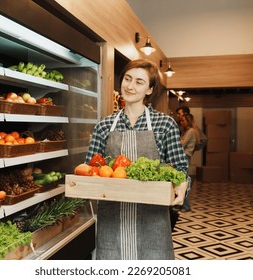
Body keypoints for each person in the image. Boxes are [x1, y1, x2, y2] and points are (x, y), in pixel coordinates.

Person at [85, 59, 189, 260]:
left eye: (139, 82)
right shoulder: (104, 126)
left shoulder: (165, 124)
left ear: (150, 89)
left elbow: (180, 168)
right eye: (127, 79)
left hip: (152, 220)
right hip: (113, 220)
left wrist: (182, 183)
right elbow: (91, 171)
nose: (130, 86)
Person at [179, 113, 199, 212]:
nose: (181, 123)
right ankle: (184, 205)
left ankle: (186, 206)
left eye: (183, 121)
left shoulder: (190, 131)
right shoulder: (188, 131)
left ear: (188, 121)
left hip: (185, 156)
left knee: (182, 180)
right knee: (182, 179)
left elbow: (181, 144)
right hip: (185, 156)